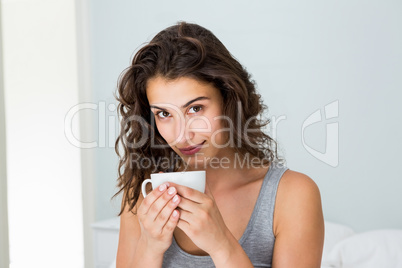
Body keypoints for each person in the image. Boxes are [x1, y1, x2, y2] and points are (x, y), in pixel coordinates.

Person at [114, 21, 324, 268]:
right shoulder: (143, 193)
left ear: (228, 101)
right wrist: (150, 247)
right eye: (164, 114)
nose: (182, 134)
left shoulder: (292, 195)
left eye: (195, 109)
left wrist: (221, 243)